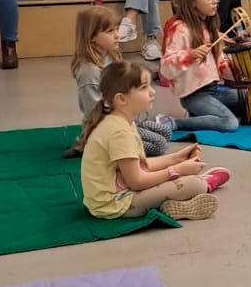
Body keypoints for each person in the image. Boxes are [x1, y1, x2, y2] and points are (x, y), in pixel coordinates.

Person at [80, 61, 228, 222]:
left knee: (185, 181)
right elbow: (137, 181)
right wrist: (176, 170)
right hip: (116, 204)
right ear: (121, 99)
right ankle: (204, 185)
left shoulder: (121, 122)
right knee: (195, 184)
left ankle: (177, 202)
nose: (152, 92)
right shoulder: (120, 132)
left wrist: (177, 158)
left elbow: (141, 166)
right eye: (144, 87)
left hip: (112, 198)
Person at [69, 7, 173, 158]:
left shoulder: (110, 58)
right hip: (107, 128)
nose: (117, 35)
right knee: (159, 144)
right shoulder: (89, 73)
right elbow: (94, 112)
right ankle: (96, 146)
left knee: (165, 132)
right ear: (92, 37)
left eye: (117, 29)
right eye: (110, 31)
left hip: (126, 119)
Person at [159, 0, 243, 132]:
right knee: (229, 123)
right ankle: (175, 123)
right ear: (191, 2)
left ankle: (201, 115)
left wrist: (241, 71)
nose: (215, 1)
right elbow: (166, 68)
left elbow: (221, 62)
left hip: (213, 91)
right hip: (194, 96)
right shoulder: (180, 29)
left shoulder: (209, 28)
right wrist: (190, 55)